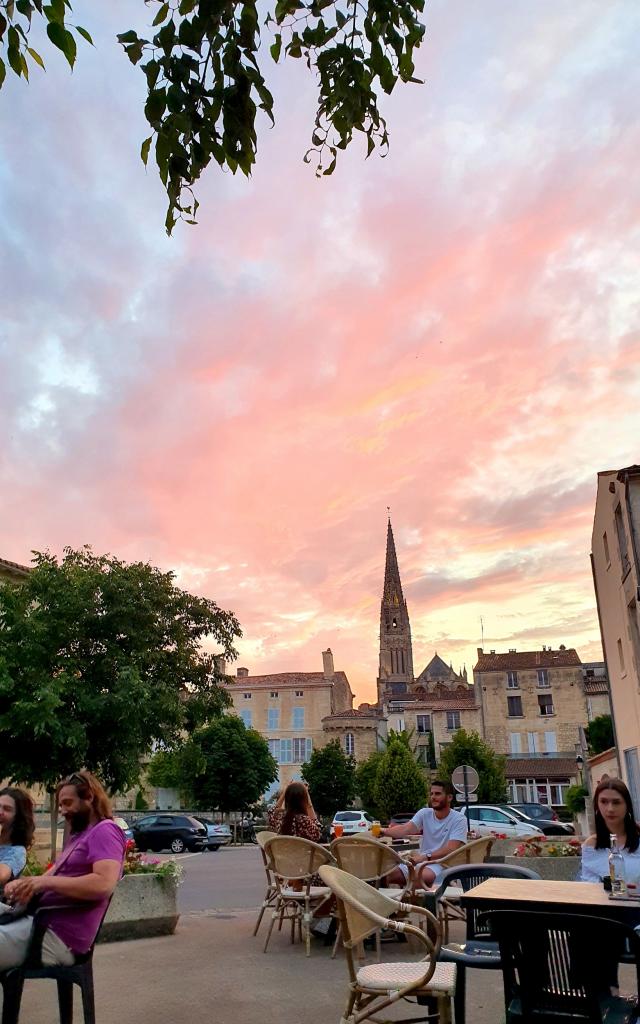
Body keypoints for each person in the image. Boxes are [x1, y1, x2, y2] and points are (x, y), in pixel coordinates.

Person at [0, 770, 126, 969]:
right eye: (60, 805)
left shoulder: (106, 831)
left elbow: (104, 884)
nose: (62, 811)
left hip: (56, 936)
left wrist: (43, 882)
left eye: (67, 803)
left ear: (90, 797)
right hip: (38, 922)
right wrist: (24, 885)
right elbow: (51, 875)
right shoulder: (81, 836)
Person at [380, 780, 468, 888]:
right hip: (421, 863)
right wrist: (383, 831)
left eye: (438, 794)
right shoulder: (424, 813)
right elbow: (405, 829)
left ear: (449, 797)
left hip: (442, 864)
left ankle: (410, 902)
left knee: (416, 876)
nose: (433, 797)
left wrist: (425, 857)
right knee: (384, 874)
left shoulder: (459, 819)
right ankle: (390, 903)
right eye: (431, 794)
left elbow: (451, 848)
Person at [579, 777, 640, 884]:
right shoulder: (591, 845)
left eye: (616, 802)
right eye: (604, 802)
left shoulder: (637, 840)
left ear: (627, 805)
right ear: (597, 805)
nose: (610, 809)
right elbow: (589, 887)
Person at [0, 787, 35, 889]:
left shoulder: (17, 851)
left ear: (18, 818)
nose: (0, 812)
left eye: (7, 809)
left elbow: (2, 876)